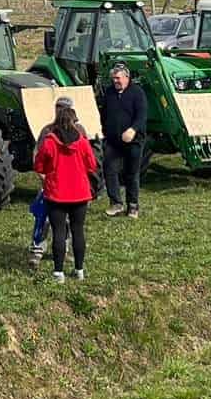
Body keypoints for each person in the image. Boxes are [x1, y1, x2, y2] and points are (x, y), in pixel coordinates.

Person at [33, 95, 99, 283]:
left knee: (59, 231)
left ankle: (58, 272)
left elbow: (39, 165)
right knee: (78, 231)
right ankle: (79, 270)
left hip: (57, 193)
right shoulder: (83, 141)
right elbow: (92, 165)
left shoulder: (49, 141)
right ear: (73, 121)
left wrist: (50, 171)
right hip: (80, 193)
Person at [99, 62, 148, 217]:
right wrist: (104, 131)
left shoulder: (137, 93)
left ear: (127, 77)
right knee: (110, 170)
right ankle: (116, 203)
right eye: (113, 78)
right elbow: (103, 113)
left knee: (131, 173)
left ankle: (133, 206)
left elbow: (142, 115)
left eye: (118, 78)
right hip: (113, 142)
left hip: (133, 141)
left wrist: (133, 129)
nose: (115, 81)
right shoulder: (109, 93)